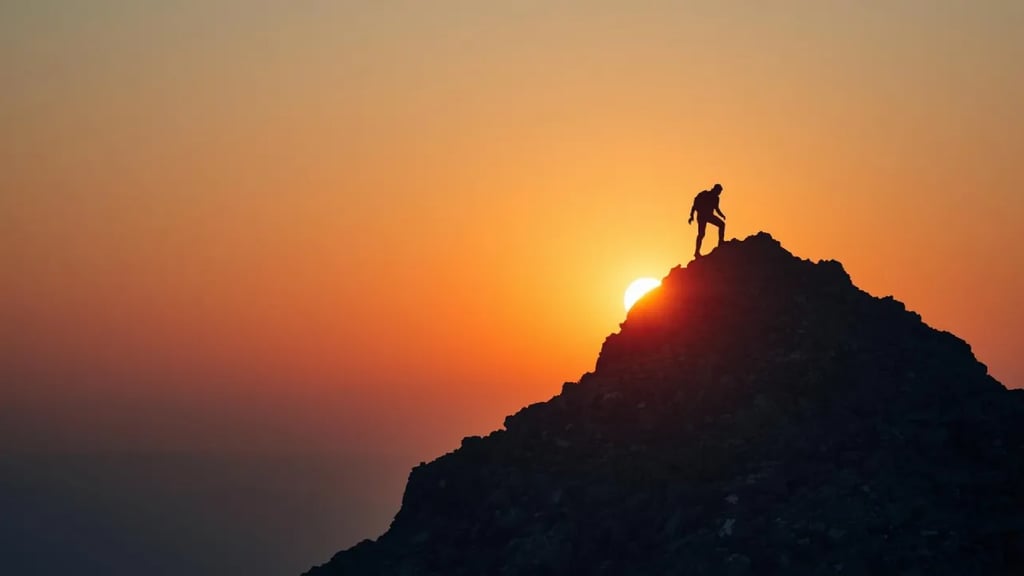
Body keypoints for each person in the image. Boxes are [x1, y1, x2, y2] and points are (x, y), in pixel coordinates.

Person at [688, 183, 726, 258]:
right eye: (719, 192)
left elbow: (716, 208)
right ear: (715, 189)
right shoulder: (704, 194)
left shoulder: (716, 198)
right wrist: (691, 216)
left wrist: (722, 215)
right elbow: (694, 206)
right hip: (702, 216)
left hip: (709, 216)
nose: (719, 194)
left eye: (720, 192)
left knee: (722, 224)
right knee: (701, 234)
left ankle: (720, 242)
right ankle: (696, 252)